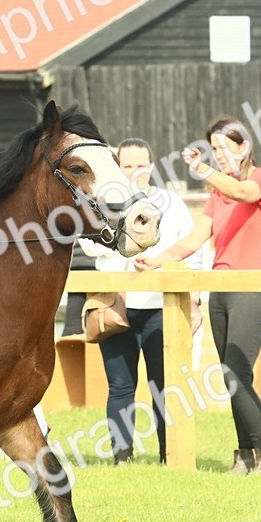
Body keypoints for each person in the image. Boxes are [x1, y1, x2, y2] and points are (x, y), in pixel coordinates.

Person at [134, 119, 261, 475]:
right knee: (229, 373)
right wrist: (157, 259)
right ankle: (246, 455)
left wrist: (201, 170)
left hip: (252, 288)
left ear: (244, 145)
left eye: (223, 147)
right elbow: (195, 238)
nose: (218, 155)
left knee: (237, 373)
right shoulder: (218, 195)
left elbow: (242, 193)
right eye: (213, 150)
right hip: (221, 290)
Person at [79, 139, 201, 465]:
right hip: (116, 305)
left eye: (141, 164)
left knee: (164, 386)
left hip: (164, 309)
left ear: (152, 164)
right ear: (118, 168)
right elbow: (89, 246)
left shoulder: (172, 203)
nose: (135, 171)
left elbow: (193, 251)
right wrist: (122, 243)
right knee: (120, 387)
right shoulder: (103, 203)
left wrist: (196, 302)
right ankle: (122, 458)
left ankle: (168, 455)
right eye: (127, 165)